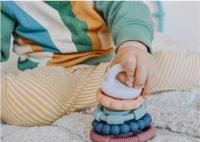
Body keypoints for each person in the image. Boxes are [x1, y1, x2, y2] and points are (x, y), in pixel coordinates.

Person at [1, 1, 199, 126]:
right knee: (14, 102)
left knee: (165, 66)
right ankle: (111, 85)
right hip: (50, 75)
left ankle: (115, 81)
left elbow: (129, 8)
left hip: (115, 63)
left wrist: (133, 46)